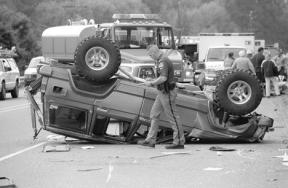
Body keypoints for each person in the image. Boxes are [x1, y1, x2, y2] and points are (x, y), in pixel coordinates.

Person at [138, 45, 185, 149]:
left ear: (154, 52)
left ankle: (179, 142)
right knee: (154, 114)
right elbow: (162, 77)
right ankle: (150, 140)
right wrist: (153, 80)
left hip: (167, 92)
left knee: (173, 117)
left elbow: (163, 78)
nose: (150, 57)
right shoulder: (160, 60)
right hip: (161, 92)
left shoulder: (163, 61)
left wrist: (151, 83)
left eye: (150, 55)